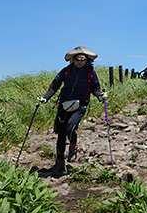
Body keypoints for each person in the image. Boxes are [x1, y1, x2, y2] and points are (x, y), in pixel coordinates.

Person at [38, 46, 106, 176]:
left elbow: (95, 87)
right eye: (78, 59)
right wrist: (45, 98)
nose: (80, 61)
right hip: (64, 104)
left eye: (83, 59)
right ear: (73, 60)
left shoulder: (90, 72)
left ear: (87, 60)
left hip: (81, 104)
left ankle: (73, 146)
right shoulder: (66, 71)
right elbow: (54, 86)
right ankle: (59, 163)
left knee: (71, 127)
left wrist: (100, 96)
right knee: (61, 133)